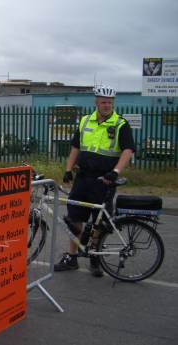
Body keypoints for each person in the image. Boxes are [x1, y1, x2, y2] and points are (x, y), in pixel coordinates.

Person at [54, 85, 135, 277]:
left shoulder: (120, 124)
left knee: (99, 221)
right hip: (82, 178)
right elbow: (75, 146)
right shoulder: (84, 121)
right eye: (103, 102)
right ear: (96, 103)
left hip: (104, 180)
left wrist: (115, 171)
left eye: (110, 102)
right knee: (75, 219)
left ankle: (95, 258)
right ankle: (71, 257)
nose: (107, 105)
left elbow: (128, 150)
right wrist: (67, 169)